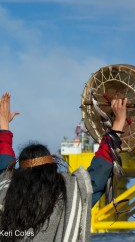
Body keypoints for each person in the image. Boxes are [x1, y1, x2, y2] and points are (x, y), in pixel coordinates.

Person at [0, 92, 127, 241]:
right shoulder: (70, 198)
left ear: (20, 174)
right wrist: (118, 123)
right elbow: (97, 175)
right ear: (51, 171)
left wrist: (4, 127)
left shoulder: (5, 195)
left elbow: (4, 168)